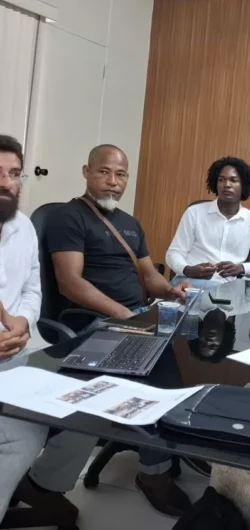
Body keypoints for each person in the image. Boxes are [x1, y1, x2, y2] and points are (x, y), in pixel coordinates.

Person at [46, 144, 194, 517]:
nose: (113, 182)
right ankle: (154, 472)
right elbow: (70, 283)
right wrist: (124, 314)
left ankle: (174, 449)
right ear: (86, 172)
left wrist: (171, 291)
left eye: (121, 174)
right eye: (104, 172)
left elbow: (148, 276)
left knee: (190, 364)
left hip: (134, 317)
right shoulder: (68, 217)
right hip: (91, 320)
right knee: (155, 380)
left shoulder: (131, 223)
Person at [0, 134, 97, 522]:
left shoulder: (22, 227)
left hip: (19, 352)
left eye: (14, 174)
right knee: (20, 437)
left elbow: (32, 288)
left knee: (89, 406)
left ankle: (39, 486)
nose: (6, 182)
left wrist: (23, 321)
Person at [166, 157, 250, 285]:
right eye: (221, 180)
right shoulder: (194, 213)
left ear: (243, 185)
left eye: (233, 180)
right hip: (191, 282)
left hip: (230, 287)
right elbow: (174, 253)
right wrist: (188, 270)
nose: (227, 185)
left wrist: (242, 268)